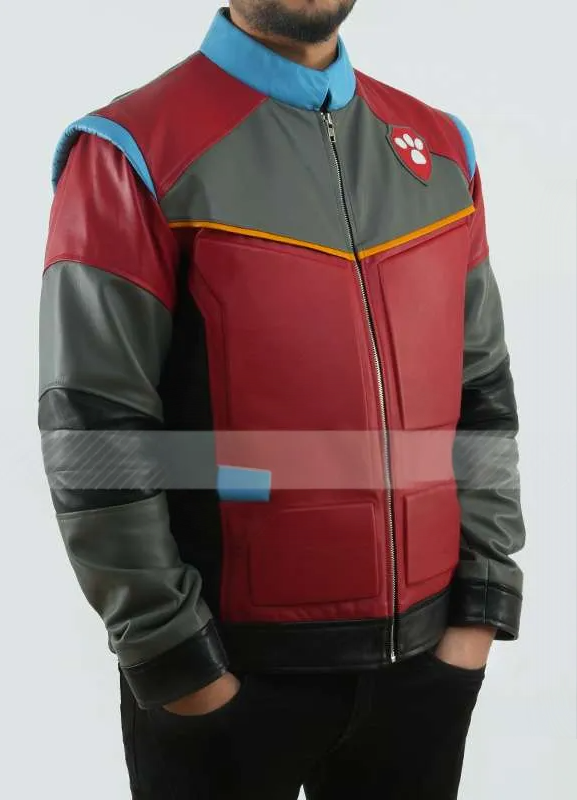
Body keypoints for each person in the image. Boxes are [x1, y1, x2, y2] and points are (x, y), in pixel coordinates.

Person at [38, 2, 526, 798]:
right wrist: (178, 662)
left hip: (423, 676)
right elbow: (93, 427)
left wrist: (481, 609)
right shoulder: (132, 149)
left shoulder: (441, 146)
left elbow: (483, 393)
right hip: (227, 676)